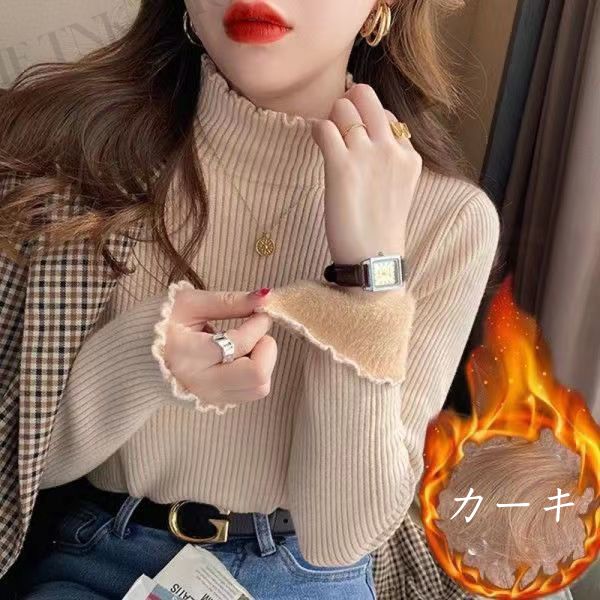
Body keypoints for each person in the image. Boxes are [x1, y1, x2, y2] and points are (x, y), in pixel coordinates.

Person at [0, 1, 501, 598]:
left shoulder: (450, 220)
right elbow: (17, 470)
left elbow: (341, 535)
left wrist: (369, 278)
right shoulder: (72, 159)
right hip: (100, 563)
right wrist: (145, 360)